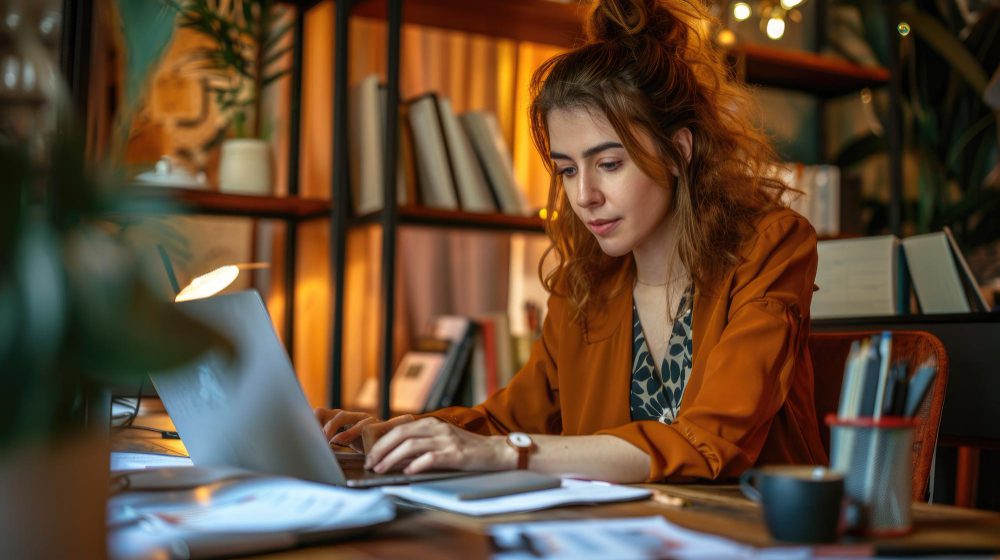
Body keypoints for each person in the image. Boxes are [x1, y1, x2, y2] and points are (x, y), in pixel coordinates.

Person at [315, 0, 827, 484]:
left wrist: (507, 452)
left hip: (761, 536)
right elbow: (504, 422)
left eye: (609, 163)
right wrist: (387, 435)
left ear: (678, 151)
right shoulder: (587, 283)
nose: (584, 196)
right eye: (566, 169)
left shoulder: (772, 246)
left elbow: (714, 441)